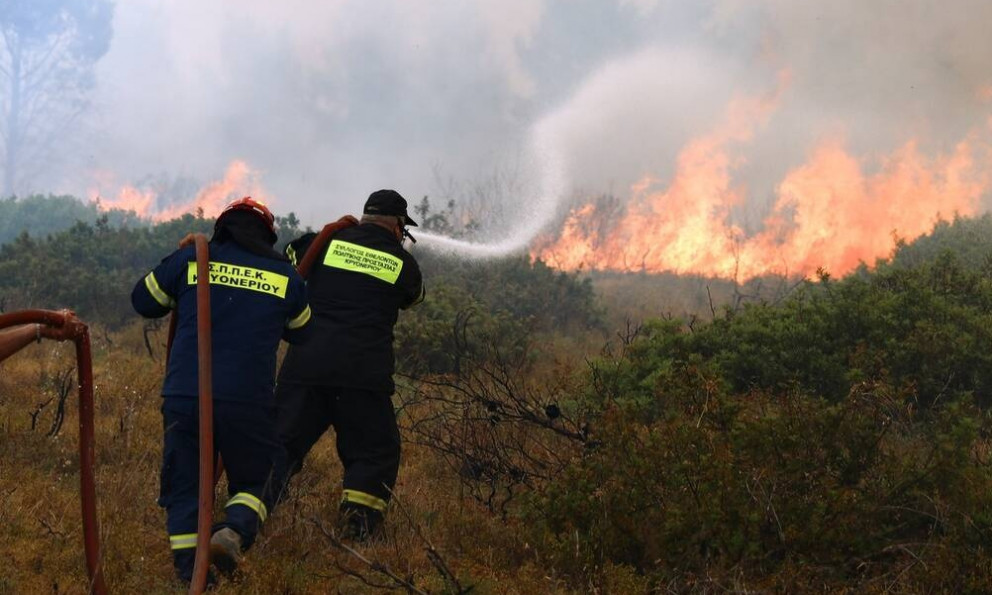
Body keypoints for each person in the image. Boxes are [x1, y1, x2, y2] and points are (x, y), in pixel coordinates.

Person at [131, 197, 311, 585]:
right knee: (264, 472)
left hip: (185, 395)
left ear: (222, 227)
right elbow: (303, 332)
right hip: (248, 399)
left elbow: (144, 301)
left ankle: (189, 573)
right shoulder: (286, 275)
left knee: (186, 483)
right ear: (268, 235)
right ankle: (234, 530)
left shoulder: (194, 258)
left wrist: (176, 260)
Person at [275, 189, 425, 541]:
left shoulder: (324, 242)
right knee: (375, 452)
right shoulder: (401, 262)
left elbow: (292, 254)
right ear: (399, 225)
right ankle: (358, 528)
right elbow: (414, 297)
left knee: (278, 443)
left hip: (307, 364)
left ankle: (247, 515)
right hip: (362, 374)